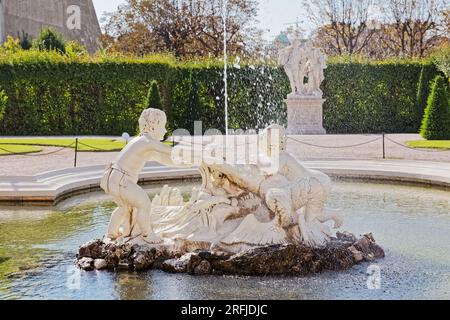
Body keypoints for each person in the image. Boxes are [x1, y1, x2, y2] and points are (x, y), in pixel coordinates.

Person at [100, 108, 186, 244]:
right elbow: (169, 151)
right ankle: (148, 235)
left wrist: (185, 165)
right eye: (163, 126)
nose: (164, 131)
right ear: (153, 126)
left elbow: (165, 159)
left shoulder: (141, 141)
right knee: (144, 203)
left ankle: (111, 233)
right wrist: (194, 154)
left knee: (124, 208)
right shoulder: (147, 142)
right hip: (122, 180)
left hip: (113, 179)